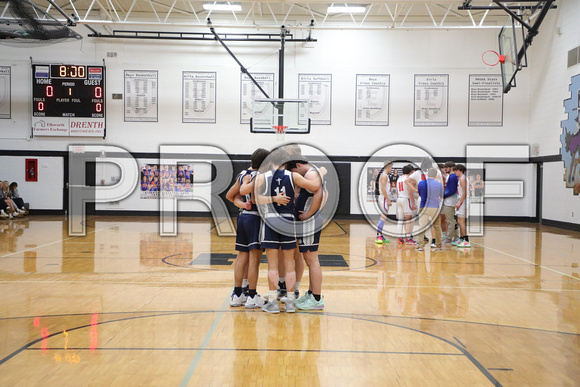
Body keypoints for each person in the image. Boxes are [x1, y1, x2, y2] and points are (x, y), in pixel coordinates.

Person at [253, 147, 326, 314]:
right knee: (290, 263)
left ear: (271, 162)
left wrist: (273, 198)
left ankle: (272, 301)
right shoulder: (294, 176)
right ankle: (291, 302)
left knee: (272, 264)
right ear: (286, 162)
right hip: (289, 221)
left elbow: (255, 199)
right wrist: (321, 172)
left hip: (271, 220)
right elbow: (315, 185)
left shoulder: (263, 177)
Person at [225, 148, 270, 308]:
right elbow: (257, 199)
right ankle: (251, 295)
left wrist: (243, 204)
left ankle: (237, 294)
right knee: (254, 260)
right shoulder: (260, 177)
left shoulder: (242, 174)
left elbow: (230, 196)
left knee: (241, 256)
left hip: (243, 216)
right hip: (255, 219)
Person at [287, 158, 327, 310]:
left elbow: (320, 194)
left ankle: (316, 298)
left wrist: (310, 213)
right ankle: (311, 294)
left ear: (298, 165)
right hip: (308, 221)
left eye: (294, 173)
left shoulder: (311, 174)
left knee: (312, 261)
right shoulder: (315, 172)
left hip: (309, 222)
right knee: (309, 260)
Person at [415, 168, 443, 251]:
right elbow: (441, 195)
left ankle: (420, 245)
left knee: (422, 226)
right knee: (437, 227)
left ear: (427, 174)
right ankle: (438, 245)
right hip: (435, 207)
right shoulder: (439, 184)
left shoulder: (421, 183)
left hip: (424, 206)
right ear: (435, 175)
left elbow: (419, 193)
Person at [395, 165, 416, 244]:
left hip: (399, 199)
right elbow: (410, 192)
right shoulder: (408, 180)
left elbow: (397, 191)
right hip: (406, 199)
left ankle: (400, 238)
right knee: (408, 220)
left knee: (400, 220)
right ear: (410, 172)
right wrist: (413, 203)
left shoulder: (399, 178)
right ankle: (408, 238)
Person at [453, 164, 470, 248]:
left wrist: (460, 202)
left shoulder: (463, 179)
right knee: (459, 221)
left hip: (463, 201)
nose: (455, 172)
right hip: (461, 200)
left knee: (461, 221)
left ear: (461, 171)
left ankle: (466, 240)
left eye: (457, 170)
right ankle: (462, 238)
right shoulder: (461, 178)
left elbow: (465, 192)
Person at [376, 161, 393, 244]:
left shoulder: (385, 175)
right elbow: (383, 189)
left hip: (385, 198)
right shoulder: (384, 176)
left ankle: (381, 235)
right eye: (391, 167)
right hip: (383, 198)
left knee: (384, 217)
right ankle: (378, 235)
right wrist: (388, 199)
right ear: (388, 167)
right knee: (383, 217)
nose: (392, 169)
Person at [442, 161, 459, 244]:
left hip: (450, 202)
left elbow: (452, 190)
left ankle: (449, 238)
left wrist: (443, 196)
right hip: (452, 201)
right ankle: (456, 237)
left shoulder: (452, 177)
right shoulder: (452, 176)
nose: (445, 169)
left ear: (451, 168)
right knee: (452, 220)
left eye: (447, 167)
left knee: (450, 221)